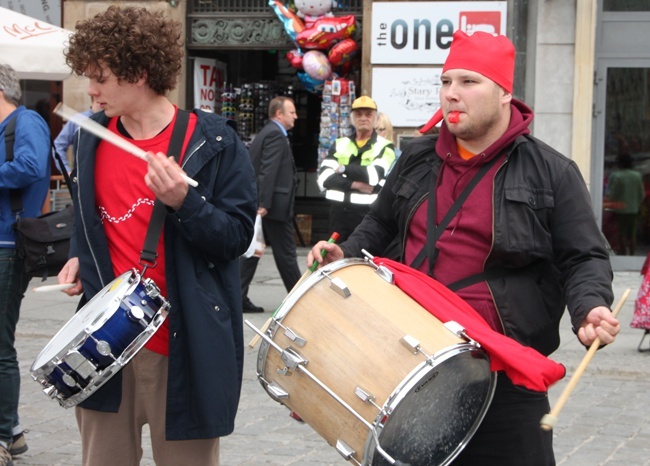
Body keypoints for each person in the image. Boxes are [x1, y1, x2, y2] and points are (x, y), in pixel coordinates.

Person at [308, 30, 620, 466]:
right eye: (446, 81)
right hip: (406, 361)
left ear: (505, 92)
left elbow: (582, 256)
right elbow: (379, 222)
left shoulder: (552, 171)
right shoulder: (416, 157)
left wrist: (590, 307)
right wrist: (348, 252)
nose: (451, 94)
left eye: (468, 82)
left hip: (501, 370)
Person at [58, 6, 257, 466]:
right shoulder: (93, 136)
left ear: (140, 73)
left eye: (100, 77)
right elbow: (89, 217)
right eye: (87, 76)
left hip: (184, 348)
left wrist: (184, 203)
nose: (90, 90)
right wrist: (77, 256)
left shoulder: (215, 142)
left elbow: (236, 239)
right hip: (104, 344)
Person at [0, 64, 51, 466]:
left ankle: (6, 434)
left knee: (0, 345)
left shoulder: (26, 120)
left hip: (7, 246)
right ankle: (12, 432)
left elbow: (32, 167)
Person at [240, 96, 301, 313]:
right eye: (292, 112)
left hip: (270, 205)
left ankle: (238, 296)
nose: (296, 116)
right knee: (286, 254)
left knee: (253, 251)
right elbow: (268, 170)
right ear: (279, 114)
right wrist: (264, 202)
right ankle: (300, 298)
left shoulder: (269, 133)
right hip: (273, 206)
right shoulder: (275, 134)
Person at [317, 96, 396, 242]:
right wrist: (355, 184)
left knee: (362, 260)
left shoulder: (385, 146)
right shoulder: (340, 143)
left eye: (368, 114)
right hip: (338, 215)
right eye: (358, 114)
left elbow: (373, 176)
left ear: (376, 118)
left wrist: (341, 169)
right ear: (352, 118)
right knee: (337, 260)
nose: (363, 118)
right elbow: (324, 178)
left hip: (367, 215)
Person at [604, 152, 645, 255]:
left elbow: (611, 194)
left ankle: (623, 254)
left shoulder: (616, 176)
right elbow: (641, 194)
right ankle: (632, 254)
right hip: (633, 210)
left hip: (619, 209)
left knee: (621, 234)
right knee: (632, 234)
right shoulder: (637, 176)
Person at [52, 98, 102, 174]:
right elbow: (58, 145)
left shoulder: (113, 119)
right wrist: (66, 171)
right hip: (83, 175)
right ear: (95, 96)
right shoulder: (78, 119)